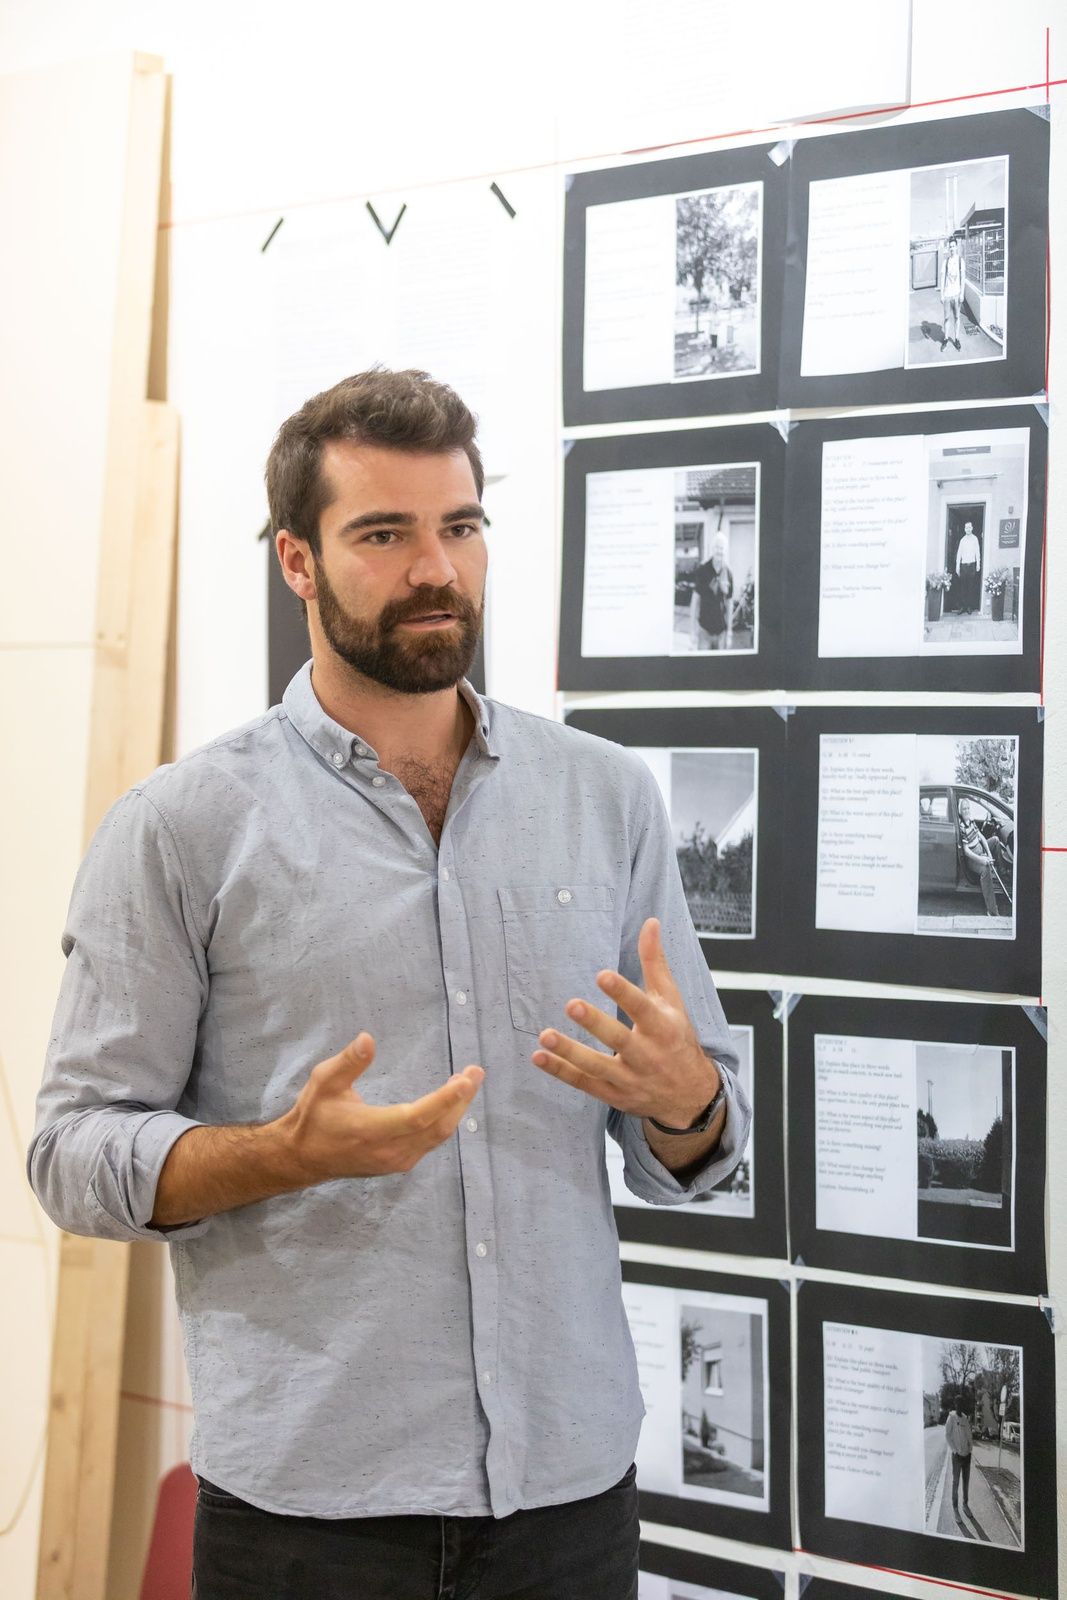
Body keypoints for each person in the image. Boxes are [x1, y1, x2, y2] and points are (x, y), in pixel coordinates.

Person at [28, 369, 750, 1600]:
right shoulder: (181, 828)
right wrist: (275, 1155)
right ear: (297, 562)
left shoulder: (606, 797)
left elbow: (694, 1141)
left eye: (459, 526)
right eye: (382, 534)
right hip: (309, 1516)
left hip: (567, 1498)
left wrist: (687, 1101)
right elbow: (70, 1150)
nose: (435, 568)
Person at [689, 533, 734, 650]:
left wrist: (729, 632)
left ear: (726, 551)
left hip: (722, 633)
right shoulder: (702, 570)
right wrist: (692, 631)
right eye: (717, 547)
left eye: (722, 548)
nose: (719, 551)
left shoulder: (729, 573)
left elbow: (730, 604)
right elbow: (694, 602)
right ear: (712, 549)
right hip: (704, 632)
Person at [958, 797, 1000, 917]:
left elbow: (981, 837)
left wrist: (989, 854)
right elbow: (966, 851)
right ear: (960, 811)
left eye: (968, 808)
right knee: (985, 869)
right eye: (964, 809)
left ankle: (1001, 871)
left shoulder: (971, 821)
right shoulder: (962, 827)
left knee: (995, 840)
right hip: (972, 858)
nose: (966, 810)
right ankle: (992, 910)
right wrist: (982, 860)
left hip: (980, 850)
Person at [945, 1395, 973, 1510]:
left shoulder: (965, 1419)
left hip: (967, 1456)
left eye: (962, 1403)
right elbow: (947, 1435)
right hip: (957, 1456)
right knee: (955, 1482)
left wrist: (970, 1448)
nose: (960, 1406)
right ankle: (955, 1505)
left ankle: (965, 1504)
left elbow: (969, 1434)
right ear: (955, 1404)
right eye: (958, 1403)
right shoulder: (951, 1417)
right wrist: (954, 1450)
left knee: (966, 1482)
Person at [940, 236, 965, 353]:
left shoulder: (960, 261)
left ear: (956, 247)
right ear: (948, 248)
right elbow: (942, 279)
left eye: (953, 246)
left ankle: (957, 339)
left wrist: (962, 294)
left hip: (956, 294)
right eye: (950, 246)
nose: (952, 248)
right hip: (947, 294)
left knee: (957, 317)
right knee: (946, 318)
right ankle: (945, 339)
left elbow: (963, 279)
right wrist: (941, 294)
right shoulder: (945, 262)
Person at [954, 521, 982, 614]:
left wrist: (978, 564)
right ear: (964, 529)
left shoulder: (975, 539)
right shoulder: (962, 540)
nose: (968, 529)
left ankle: (969, 607)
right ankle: (962, 607)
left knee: (971, 587)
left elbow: (977, 552)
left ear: (972, 528)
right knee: (962, 587)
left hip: (972, 565)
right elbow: (959, 554)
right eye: (966, 528)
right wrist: (957, 566)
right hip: (963, 566)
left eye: (969, 527)